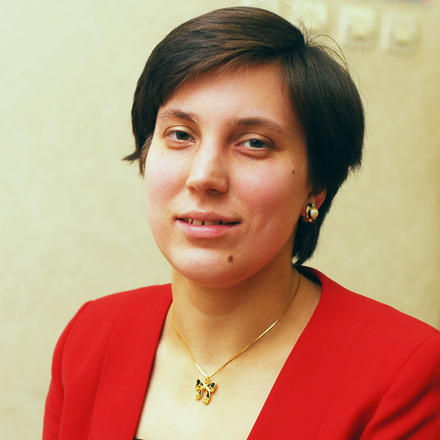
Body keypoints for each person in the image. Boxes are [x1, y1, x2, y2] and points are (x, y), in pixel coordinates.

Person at [43, 7, 440, 440]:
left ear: (316, 186)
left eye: (254, 142)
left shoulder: (403, 372)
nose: (203, 177)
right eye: (180, 135)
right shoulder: (91, 337)